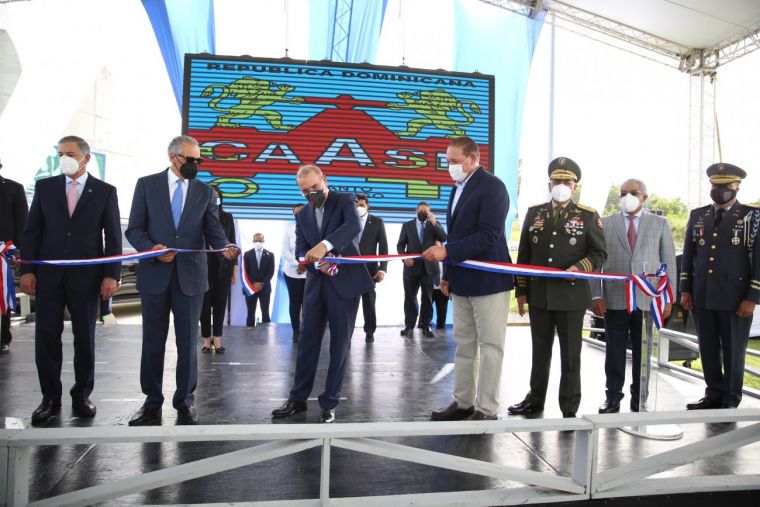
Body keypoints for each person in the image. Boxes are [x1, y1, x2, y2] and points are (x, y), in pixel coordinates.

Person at [125, 135, 239, 426]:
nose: (195, 165)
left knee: (188, 343)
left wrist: (224, 246)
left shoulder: (205, 191)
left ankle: (185, 401)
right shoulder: (146, 185)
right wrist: (151, 249)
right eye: (190, 159)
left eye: (199, 160)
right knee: (153, 342)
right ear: (172, 157)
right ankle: (151, 403)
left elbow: (213, 228)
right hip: (155, 275)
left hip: (191, 277)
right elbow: (134, 229)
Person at [20, 135, 121, 424]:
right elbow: (32, 232)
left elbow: (113, 236)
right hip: (48, 277)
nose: (64, 158)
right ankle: (49, 398)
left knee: (85, 339)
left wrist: (111, 275)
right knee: (46, 338)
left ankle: (82, 395)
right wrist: (27, 270)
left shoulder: (105, 191)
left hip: (87, 279)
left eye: (70, 154)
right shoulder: (45, 187)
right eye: (60, 154)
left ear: (86, 158)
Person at [271, 165, 372, 423]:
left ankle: (329, 403)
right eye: (305, 191)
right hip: (316, 284)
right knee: (307, 343)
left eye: (314, 187)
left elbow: (352, 227)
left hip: (345, 284)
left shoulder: (344, 200)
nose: (311, 194)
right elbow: (300, 251)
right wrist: (317, 264)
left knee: (339, 344)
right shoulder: (303, 214)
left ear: (324, 180)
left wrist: (324, 246)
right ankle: (297, 399)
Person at [508, 157, 607, 418]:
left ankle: (569, 407)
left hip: (571, 297)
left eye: (567, 181)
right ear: (549, 184)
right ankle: (535, 399)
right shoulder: (535, 213)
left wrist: (579, 267)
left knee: (571, 356)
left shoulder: (588, 215)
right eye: (557, 181)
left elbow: (599, 253)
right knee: (539, 352)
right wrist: (522, 291)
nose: (561, 185)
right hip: (539, 295)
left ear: (575, 186)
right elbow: (524, 256)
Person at [424, 136, 514, 421]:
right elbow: (456, 236)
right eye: (447, 161)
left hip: (489, 281)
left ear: (473, 158)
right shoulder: (457, 188)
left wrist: (447, 252)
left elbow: (489, 235)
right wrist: (448, 274)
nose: (450, 166)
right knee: (464, 345)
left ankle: (487, 409)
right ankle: (463, 402)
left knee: (490, 347)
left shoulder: (493, 187)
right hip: (462, 280)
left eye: (455, 161)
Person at [591, 178, 676, 413]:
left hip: (648, 299)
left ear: (644, 197)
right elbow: (596, 262)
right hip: (614, 298)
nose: (627, 197)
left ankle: (640, 398)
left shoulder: (660, 223)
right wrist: (595, 295)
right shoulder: (605, 223)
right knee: (614, 351)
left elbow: (669, 262)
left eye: (633, 193)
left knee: (643, 352)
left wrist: (669, 299)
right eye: (623, 193)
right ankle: (612, 397)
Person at [681, 163, 759, 409]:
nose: (720, 190)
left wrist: (752, 298)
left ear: (737, 187)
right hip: (702, 295)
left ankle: (730, 398)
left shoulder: (752, 216)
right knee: (708, 347)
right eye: (716, 185)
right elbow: (688, 255)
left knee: (734, 349)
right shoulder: (699, 215)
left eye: (726, 185)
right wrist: (685, 289)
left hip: (735, 298)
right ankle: (713, 394)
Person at [397, 202, 447, 337]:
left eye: (426, 211)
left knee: (427, 298)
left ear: (429, 212)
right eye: (421, 211)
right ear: (416, 211)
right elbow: (400, 245)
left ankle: (426, 325)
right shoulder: (407, 225)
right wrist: (405, 258)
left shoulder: (434, 224)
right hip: (411, 268)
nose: (423, 213)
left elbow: (443, 238)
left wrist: (434, 222)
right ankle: (409, 326)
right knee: (410, 298)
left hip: (429, 268)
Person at [200, 185, 237, 353]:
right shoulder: (199, 216)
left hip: (223, 267)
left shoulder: (227, 217)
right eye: (212, 195)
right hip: (203, 266)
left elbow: (233, 243)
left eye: (217, 196)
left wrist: (234, 270)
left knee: (220, 303)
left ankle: (218, 339)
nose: (215, 198)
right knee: (205, 304)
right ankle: (206, 340)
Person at [0, 157, 28, 354]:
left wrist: (18, 251)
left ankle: (2, 338)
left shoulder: (14, 189)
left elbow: (22, 222)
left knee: (2, 295)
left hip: (3, 253)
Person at [356, 194, 388, 343]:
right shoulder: (347, 220)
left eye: (361, 205)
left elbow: (383, 247)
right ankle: (346, 331)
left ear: (367, 206)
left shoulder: (377, 221)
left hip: (370, 270)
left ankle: (369, 331)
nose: (359, 207)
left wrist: (382, 269)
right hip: (349, 269)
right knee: (349, 303)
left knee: (369, 302)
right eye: (356, 205)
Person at [281, 204, 307, 342]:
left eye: (302, 212)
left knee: (308, 303)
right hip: (292, 272)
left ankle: (307, 331)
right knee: (295, 302)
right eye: (296, 213)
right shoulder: (289, 230)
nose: (299, 215)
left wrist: (306, 265)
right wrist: (299, 264)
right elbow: (285, 251)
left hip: (309, 272)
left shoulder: (315, 230)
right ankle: (296, 330)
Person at [243, 233, 274, 327]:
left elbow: (271, 272)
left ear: (263, 241)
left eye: (260, 241)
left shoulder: (270, 255)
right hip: (250, 288)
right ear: (253, 241)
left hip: (265, 288)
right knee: (250, 313)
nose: (258, 243)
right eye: (256, 241)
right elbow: (246, 271)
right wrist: (254, 283)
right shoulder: (247, 254)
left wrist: (262, 283)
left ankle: (266, 333)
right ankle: (249, 334)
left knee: (265, 313)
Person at [431, 258, 448, 330]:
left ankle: (441, 327)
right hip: (429, 288)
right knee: (425, 309)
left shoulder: (446, 258)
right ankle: (424, 326)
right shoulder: (429, 257)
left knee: (442, 311)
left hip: (442, 288)